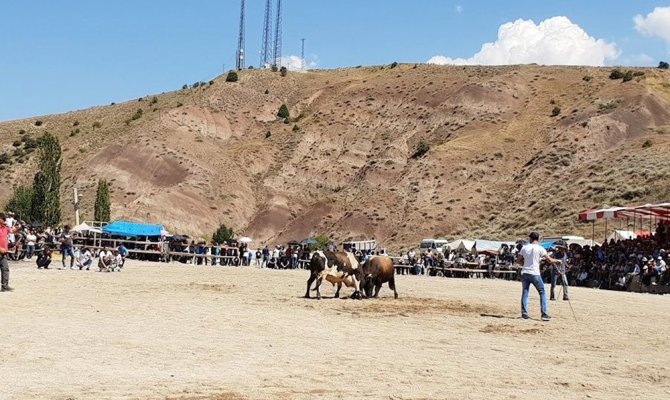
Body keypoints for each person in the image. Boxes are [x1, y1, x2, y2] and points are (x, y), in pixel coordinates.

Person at [517, 232, 561, 321]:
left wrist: (525, 263)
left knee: (525, 292)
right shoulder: (540, 248)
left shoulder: (524, 248)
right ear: (538, 238)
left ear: (530, 238)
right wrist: (558, 261)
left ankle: (524, 314)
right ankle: (544, 314)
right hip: (535, 273)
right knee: (542, 292)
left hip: (525, 272)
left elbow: (518, 261)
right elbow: (550, 260)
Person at [0, 213, 19, 292]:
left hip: (3, 253)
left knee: (5, 269)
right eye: (3, 219)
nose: (5, 220)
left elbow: (13, 231)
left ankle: (5, 286)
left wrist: (18, 228)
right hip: (0, 250)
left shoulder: (5, 228)